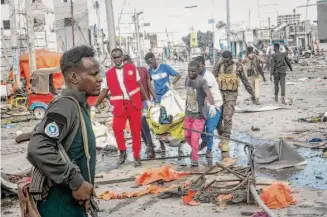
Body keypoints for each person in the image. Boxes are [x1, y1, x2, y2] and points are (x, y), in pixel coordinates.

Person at [27, 46, 102, 217]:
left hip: (72, 205)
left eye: (99, 73)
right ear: (74, 77)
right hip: (60, 207)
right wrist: (75, 182)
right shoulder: (65, 106)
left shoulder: (80, 106)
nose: (100, 79)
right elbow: (38, 148)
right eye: (93, 74)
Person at [94, 48, 149, 167]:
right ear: (111, 58)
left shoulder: (132, 68)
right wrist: (94, 106)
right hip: (119, 107)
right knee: (116, 128)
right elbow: (104, 91)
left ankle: (136, 156)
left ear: (122, 57)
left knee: (135, 131)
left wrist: (147, 102)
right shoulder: (109, 74)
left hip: (134, 105)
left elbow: (140, 85)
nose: (117, 59)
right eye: (114, 57)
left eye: (119, 57)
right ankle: (122, 152)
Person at [213, 51, 255, 152]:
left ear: (231, 58)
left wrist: (252, 93)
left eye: (227, 61)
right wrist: (219, 63)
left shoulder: (238, 66)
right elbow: (213, 74)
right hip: (219, 94)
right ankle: (222, 136)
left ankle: (226, 140)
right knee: (218, 118)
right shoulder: (220, 65)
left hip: (231, 95)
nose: (226, 63)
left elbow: (245, 80)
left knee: (227, 117)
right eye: (224, 60)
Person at [144, 52, 181, 152]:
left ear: (154, 59)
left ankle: (177, 140)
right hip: (158, 99)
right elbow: (148, 83)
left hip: (168, 98)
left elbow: (178, 75)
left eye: (151, 62)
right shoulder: (150, 71)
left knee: (172, 119)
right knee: (158, 122)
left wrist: (172, 84)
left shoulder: (164, 67)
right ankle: (161, 144)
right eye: (148, 63)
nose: (150, 64)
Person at [123, 54, 157, 159]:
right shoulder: (124, 75)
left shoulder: (143, 70)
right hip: (133, 103)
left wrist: (155, 98)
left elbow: (149, 85)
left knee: (144, 121)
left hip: (144, 101)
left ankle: (150, 145)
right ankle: (149, 146)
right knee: (139, 126)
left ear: (130, 61)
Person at [184, 61, 217, 167]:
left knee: (194, 137)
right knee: (187, 136)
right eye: (189, 71)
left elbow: (209, 94)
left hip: (199, 115)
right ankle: (195, 149)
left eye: (193, 71)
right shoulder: (187, 79)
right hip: (188, 113)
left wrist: (212, 106)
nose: (191, 73)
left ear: (198, 71)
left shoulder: (202, 81)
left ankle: (194, 159)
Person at [194, 56, 222, 158]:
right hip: (203, 105)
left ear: (203, 65)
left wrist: (212, 107)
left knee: (209, 129)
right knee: (199, 128)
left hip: (214, 104)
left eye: (199, 66)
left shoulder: (208, 77)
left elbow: (207, 94)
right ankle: (205, 141)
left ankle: (209, 149)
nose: (197, 69)